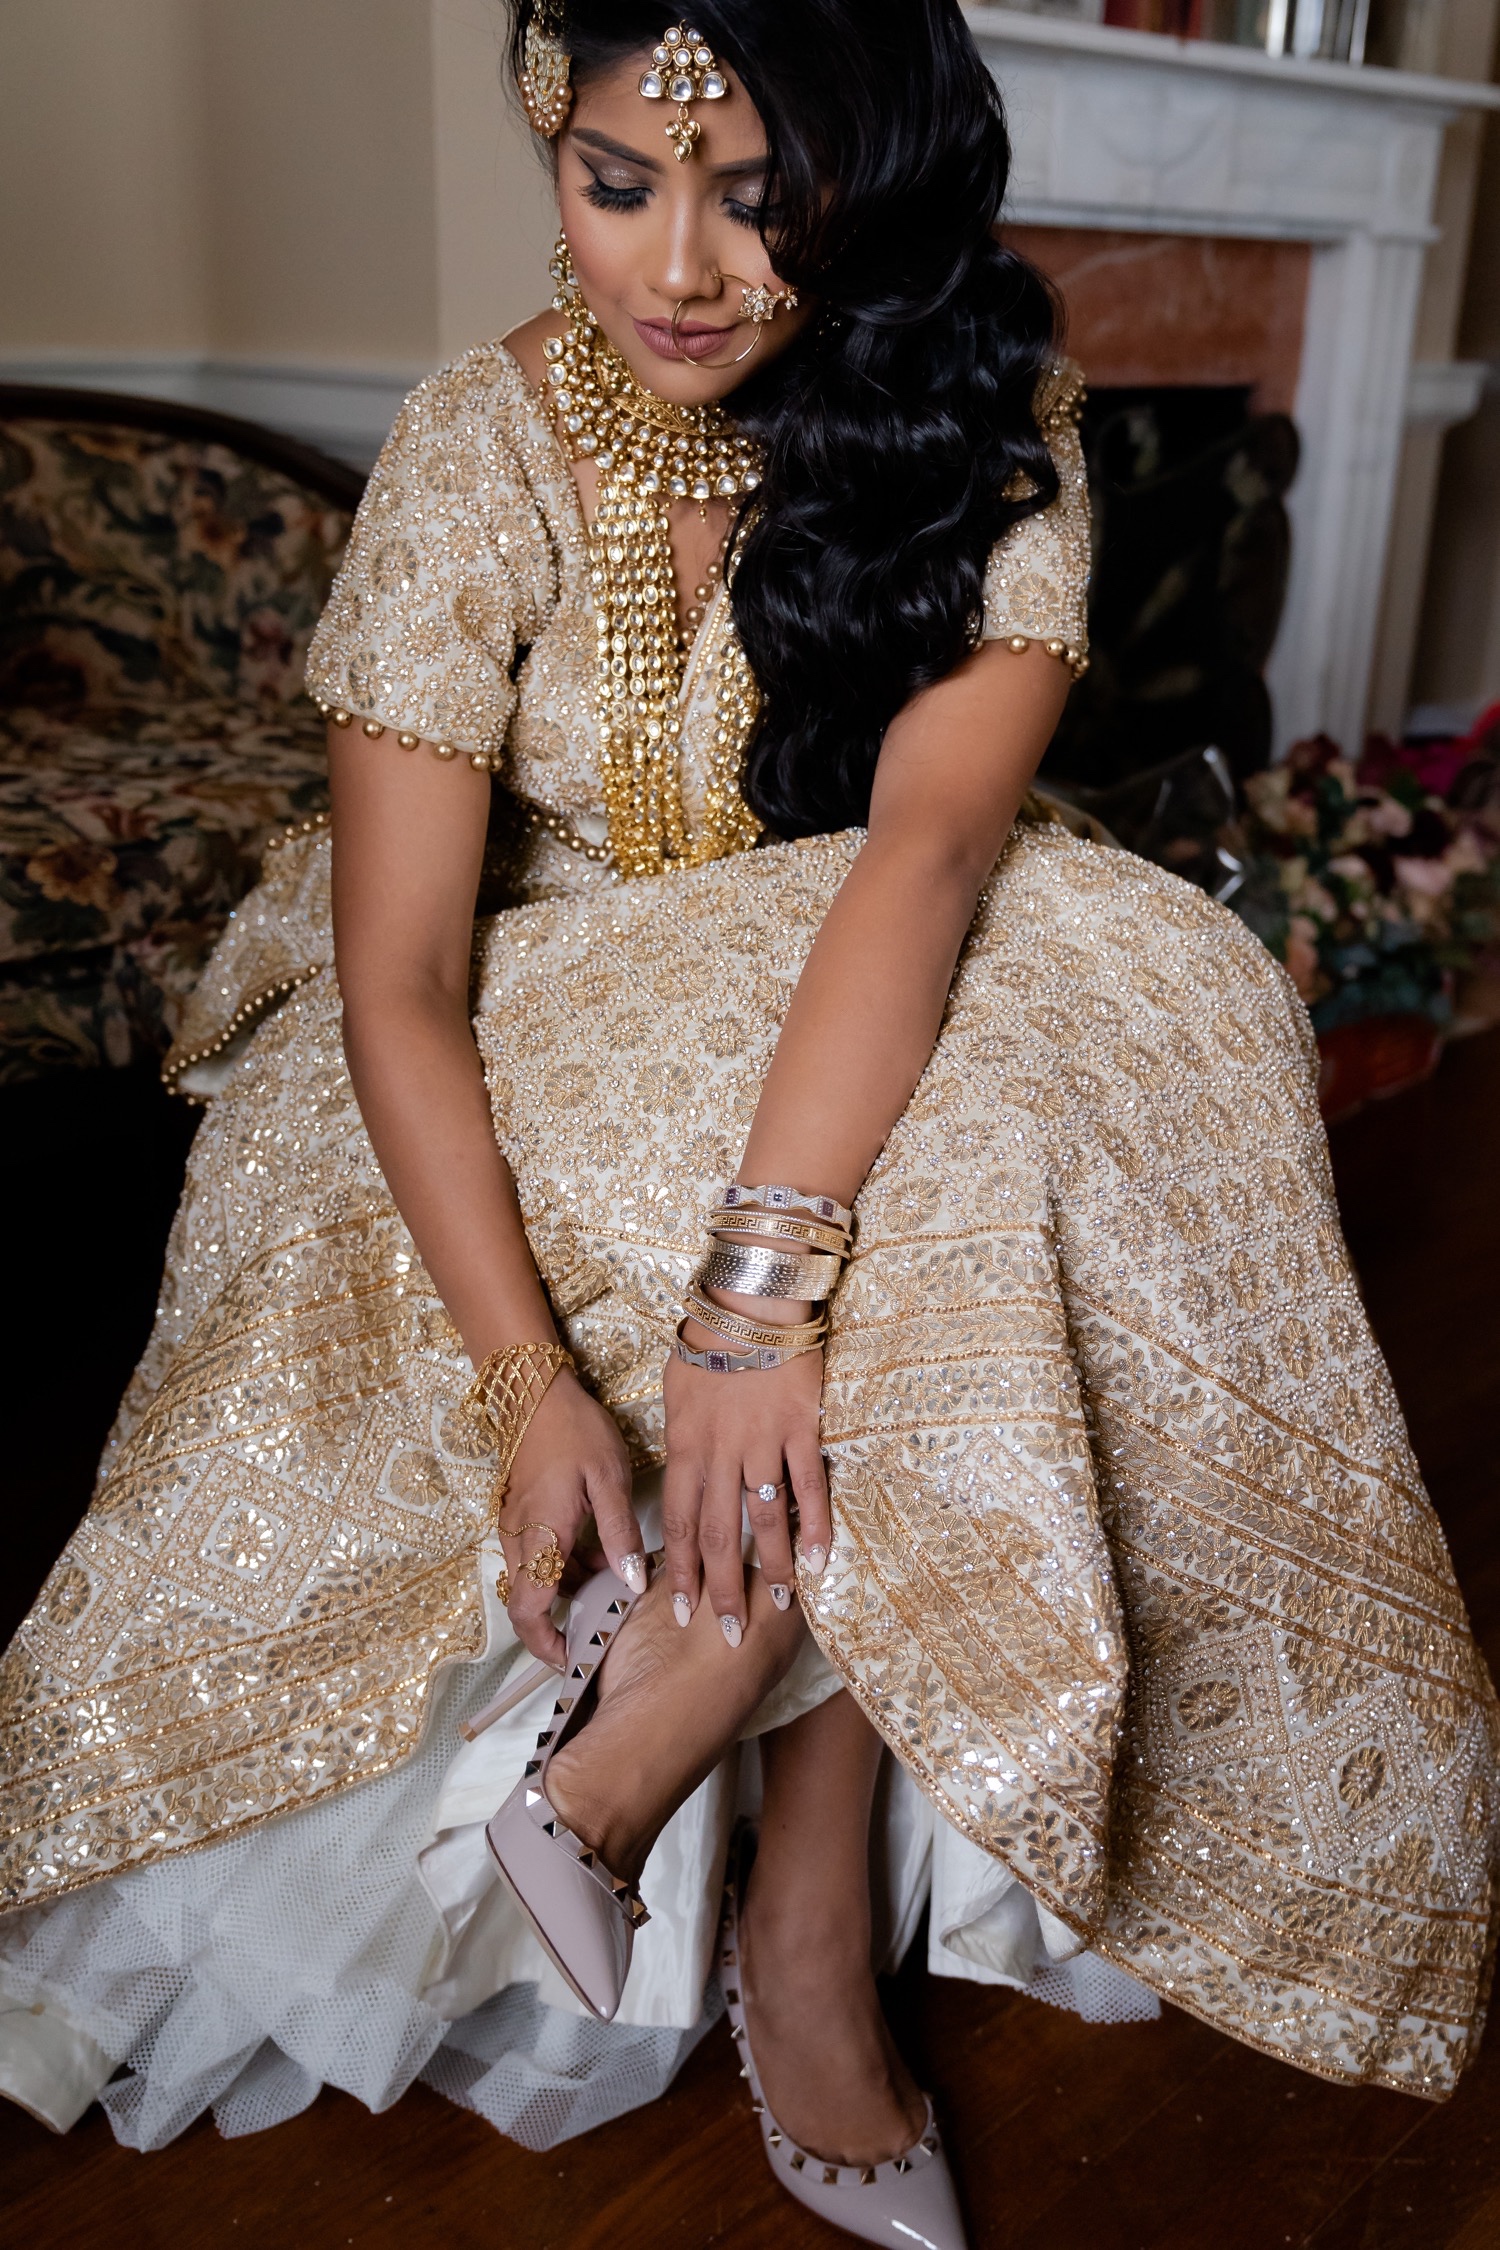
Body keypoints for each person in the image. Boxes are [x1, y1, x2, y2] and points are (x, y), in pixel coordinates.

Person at [2, 3, 1496, 2241]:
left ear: (871, 198)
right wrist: (532, 1381)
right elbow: (403, 980)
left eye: (760, 198)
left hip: (858, 962)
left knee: (1095, 1028)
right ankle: (772, 1909)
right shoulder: (467, 448)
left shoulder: (999, 419)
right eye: (621, 182)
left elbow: (917, 862)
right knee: (978, 1122)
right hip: (509, 996)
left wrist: (752, 1304)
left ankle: (716, 1828)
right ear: (555, 153)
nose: (680, 264)